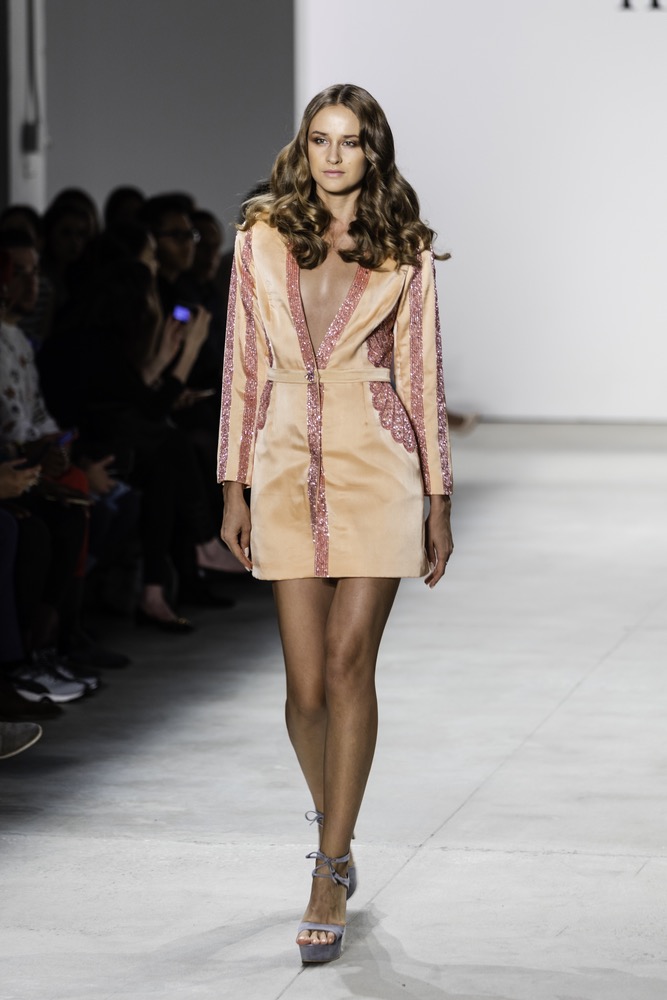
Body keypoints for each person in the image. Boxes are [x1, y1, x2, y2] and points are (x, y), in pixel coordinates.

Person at [218, 84, 454, 963]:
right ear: (303, 147)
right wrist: (231, 485)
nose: (331, 156)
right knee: (304, 688)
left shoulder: (405, 252)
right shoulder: (258, 239)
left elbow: (423, 379)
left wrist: (438, 499)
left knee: (351, 663)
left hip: (376, 461)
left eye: (349, 142)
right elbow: (242, 367)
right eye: (318, 139)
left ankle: (327, 866)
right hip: (281, 463)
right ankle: (338, 826)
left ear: (371, 152)